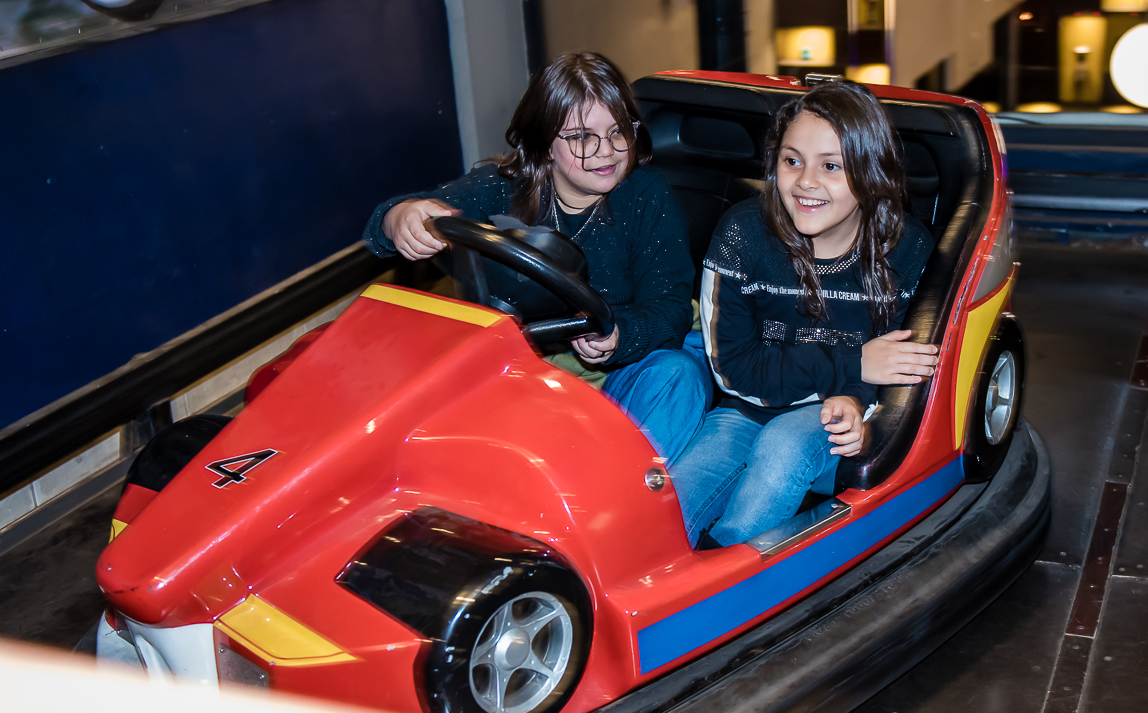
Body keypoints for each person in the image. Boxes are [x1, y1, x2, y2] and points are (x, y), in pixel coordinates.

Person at [362, 52, 707, 465]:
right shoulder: (502, 187)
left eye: (619, 132)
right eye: (582, 137)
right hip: (528, 366)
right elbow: (419, 210)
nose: (608, 150)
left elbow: (670, 309)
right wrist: (400, 218)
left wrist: (619, 336)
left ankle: (614, 487)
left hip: (619, 367)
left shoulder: (646, 198)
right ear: (544, 144)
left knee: (678, 375)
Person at [670, 80, 938, 549]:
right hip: (744, 407)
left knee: (784, 447)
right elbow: (733, 371)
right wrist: (853, 363)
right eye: (792, 161)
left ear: (870, 172)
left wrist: (855, 398)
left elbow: (898, 363)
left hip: (834, 412)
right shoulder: (742, 234)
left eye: (831, 166)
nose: (806, 181)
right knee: (671, 506)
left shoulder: (906, 247)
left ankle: (728, 576)